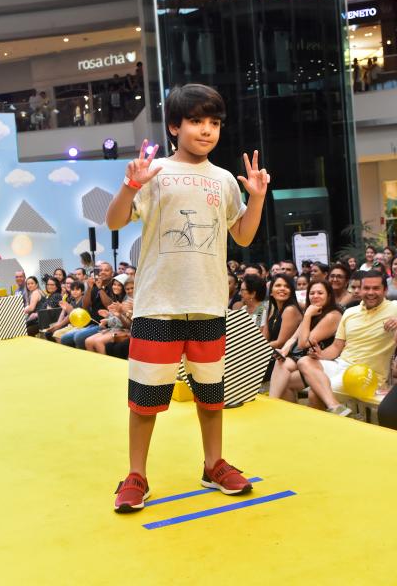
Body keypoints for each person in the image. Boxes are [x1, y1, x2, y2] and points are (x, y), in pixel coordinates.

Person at [106, 83, 270, 512]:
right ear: (175, 127)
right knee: (145, 400)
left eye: (214, 122)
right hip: (158, 305)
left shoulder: (224, 180)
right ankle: (136, 474)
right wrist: (129, 186)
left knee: (211, 395)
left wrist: (256, 199)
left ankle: (213, 464)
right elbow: (114, 220)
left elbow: (243, 235)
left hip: (208, 304)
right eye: (196, 121)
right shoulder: (154, 171)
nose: (206, 130)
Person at [297, 271, 397, 415]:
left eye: (376, 288)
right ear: (360, 290)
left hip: (366, 374)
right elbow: (336, 347)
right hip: (341, 364)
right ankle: (335, 407)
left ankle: (333, 411)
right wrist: (321, 354)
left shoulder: (394, 307)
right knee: (304, 361)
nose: (370, 292)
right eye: (366, 288)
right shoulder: (350, 312)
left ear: (385, 290)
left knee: (315, 394)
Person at [269, 279, 342, 402]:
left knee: (285, 380)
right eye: (312, 293)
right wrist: (283, 351)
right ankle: (273, 402)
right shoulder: (314, 311)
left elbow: (302, 343)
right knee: (281, 362)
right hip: (303, 357)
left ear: (329, 296)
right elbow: (293, 338)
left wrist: (307, 315)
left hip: (320, 361)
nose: (315, 296)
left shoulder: (332, 315)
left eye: (320, 293)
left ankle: (273, 403)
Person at [60, 262, 114, 349]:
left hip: (106, 324)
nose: (103, 272)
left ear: (112, 273)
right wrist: (89, 287)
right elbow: (85, 306)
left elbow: (109, 306)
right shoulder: (95, 286)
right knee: (65, 338)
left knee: (78, 337)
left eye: (106, 270)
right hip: (92, 323)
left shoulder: (114, 286)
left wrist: (100, 288)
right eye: (100, 270)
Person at [262, 273, 302, 381]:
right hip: (272, 354)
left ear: (291, 291)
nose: (282, 288)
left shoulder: (290, 310)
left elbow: (281, 342)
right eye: (278, 285)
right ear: (271, 292)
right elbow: (264, 338)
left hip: (286, 357)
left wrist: (257, 348)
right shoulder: (272, 309)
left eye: (286, 286)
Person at [85, 274, 130, 354]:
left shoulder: (128, 300)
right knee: (88, 341)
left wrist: (107, 320)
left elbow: (123, 322)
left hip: (125, 330)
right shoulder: (116, 297)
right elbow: (116, 317)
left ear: (124, 287)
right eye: (114, 284)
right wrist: (108, 315)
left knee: (98, 342)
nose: (115, 287)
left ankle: (105, 362)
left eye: (119, 285)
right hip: (115, 328)